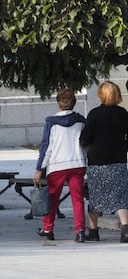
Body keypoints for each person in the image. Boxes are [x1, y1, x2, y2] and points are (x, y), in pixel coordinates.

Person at [80, 81, 128, 243]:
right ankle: (125, 228)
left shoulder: (94, 114)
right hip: (118, 160)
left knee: (96, 196)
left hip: (97, 161)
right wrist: (122, 149)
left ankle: (93, 231)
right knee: (119, 194)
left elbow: (85, 138)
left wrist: (90, 146)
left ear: (100, 95)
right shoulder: (123, 113)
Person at [33, 88, 87, 242]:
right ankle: (80, 231)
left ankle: (48, 229)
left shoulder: (51, 122)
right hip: (77, 163)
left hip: (57, 165)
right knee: (77, 199)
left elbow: (46, 147)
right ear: (74, 103)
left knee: (52, 198)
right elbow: (86, 143)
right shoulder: (81, 121)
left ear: (58, 104)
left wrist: (39, 169)